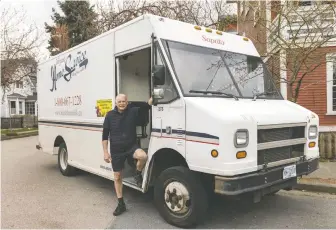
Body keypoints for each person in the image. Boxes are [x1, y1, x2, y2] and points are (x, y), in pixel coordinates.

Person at [102, 93, 152, 216]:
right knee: (117, 176)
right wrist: (105, 152)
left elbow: (146, 106)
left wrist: (151, 100)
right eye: (119, 102)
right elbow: (105, 135)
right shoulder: (109, 115)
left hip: (131, 147)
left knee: (143, 156)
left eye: (124, 101)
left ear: (127, 102)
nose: (122, 104)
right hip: (116, 150)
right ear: (116, 103)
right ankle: (121, 204)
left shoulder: (132, 111)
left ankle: (137, 173)